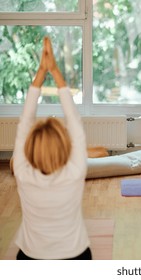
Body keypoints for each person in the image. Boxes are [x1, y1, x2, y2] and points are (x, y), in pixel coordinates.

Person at [12, 37, 91, 260]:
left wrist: (41, 73)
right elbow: (74, 121)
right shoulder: (75, 172)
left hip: (30, 258)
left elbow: (24, 122)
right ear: (65, 146)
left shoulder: (22, 172)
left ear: (30, 148)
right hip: (75, 256)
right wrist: (54, 71)